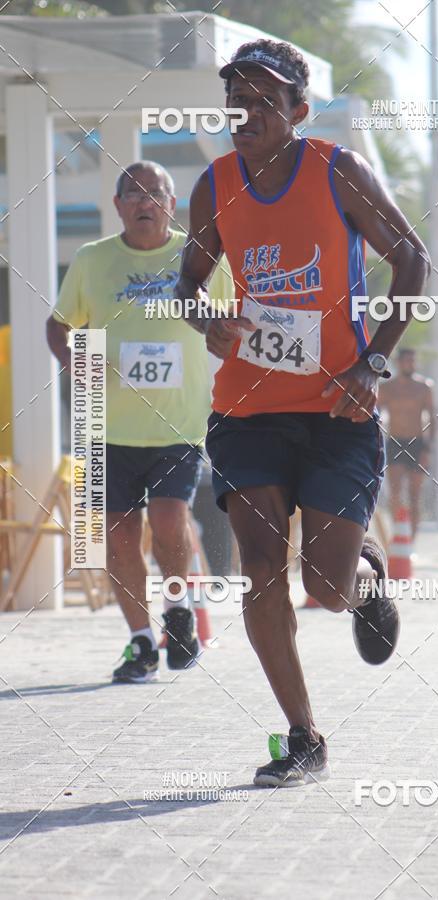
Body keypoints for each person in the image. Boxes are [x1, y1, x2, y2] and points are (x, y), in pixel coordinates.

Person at [176, 38, 430, 786]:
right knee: (260, 568)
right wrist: (205, 317)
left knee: (324, 587)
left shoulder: (336, 170)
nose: (246, 113)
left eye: (264, 100)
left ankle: (363, 576)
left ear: (299, 109)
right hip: (246, 412)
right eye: (236, 100)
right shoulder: (214, 185)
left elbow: (411, 257)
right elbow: (188, 281)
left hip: (336, 412)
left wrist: (372, 362)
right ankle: (303, 736)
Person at [47, 160, 232, 683]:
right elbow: (58, 324)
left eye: (155, 193)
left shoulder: (198, 257)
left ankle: (179, 609)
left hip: (178, 424)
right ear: (117, 205)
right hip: (107, 426)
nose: (144, 202)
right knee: (118, 535)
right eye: (133, 193)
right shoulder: (93, 259)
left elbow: (230, 319)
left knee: (170, 518)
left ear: (172, 205)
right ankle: (141, 642)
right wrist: (71, 357)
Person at [378, 348, 434, 538]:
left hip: (417, 443)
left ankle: (412, 539)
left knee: (414, 495)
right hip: (395, 442)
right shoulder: (387, 388)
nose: (411, 364)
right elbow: (375, 414)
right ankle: (398, 533)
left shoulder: (424, 387)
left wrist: (428, 448)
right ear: (399, 363)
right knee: (395, 492)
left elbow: (432, 418)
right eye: (407, 360)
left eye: (413, 361)